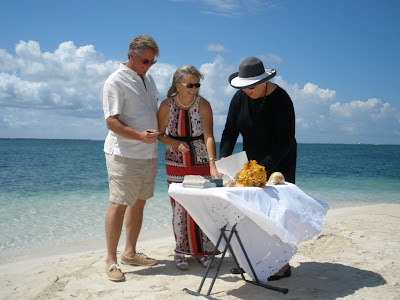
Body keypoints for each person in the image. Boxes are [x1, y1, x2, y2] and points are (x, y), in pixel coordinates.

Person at [219, 56, 297, 280]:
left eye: (251, 86)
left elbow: (285, 140)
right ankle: (251, 261)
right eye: (244, 87)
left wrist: (264, 169)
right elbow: (229, 132)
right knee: (251, 213)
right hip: (251, 162)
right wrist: (223, 162)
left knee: (277, 215)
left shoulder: (281, 99)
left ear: (264, 81)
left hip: (279, 162)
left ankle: (282, 266)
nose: (248, 91)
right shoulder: (239, 98)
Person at [101, 35, 160, 282]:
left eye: (152, 62)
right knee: (119, 203)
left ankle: (130, 252)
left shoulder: (149, 79)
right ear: (131, 56)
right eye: (145, 61)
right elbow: (111, 121)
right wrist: (138, 135)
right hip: (124, 154)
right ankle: (111, 260)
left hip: (149, 154)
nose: (148, 66)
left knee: (139, 203)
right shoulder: (115, 81)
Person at [157, 65, 222, 271]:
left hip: (201, 159)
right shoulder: (166, 105)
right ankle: (180, 250)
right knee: (179, 207)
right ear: (178, 85)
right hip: (176, 160)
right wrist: (176, 144)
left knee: (202, 206)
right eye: (190, 85)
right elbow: (159, 134)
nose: (194, 88)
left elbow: (209, 136)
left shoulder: (203, 105)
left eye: (197, 84)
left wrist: (213, 164)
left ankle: (204, 251)